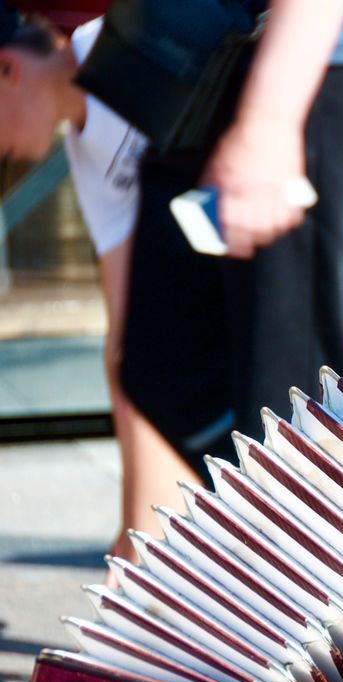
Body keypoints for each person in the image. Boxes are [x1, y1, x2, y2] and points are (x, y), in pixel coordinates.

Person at [117, 0, 343, 477]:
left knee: (283, 406)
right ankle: (286, 521)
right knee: (164, 374)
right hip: (210, 63)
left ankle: (321, 533)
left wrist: (268, 125)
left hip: (306, 67)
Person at [0, 6, 198, 562]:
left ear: (8, 70)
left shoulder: (131, 37)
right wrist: (134, 529)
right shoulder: (86, 155)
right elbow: (127, 342)